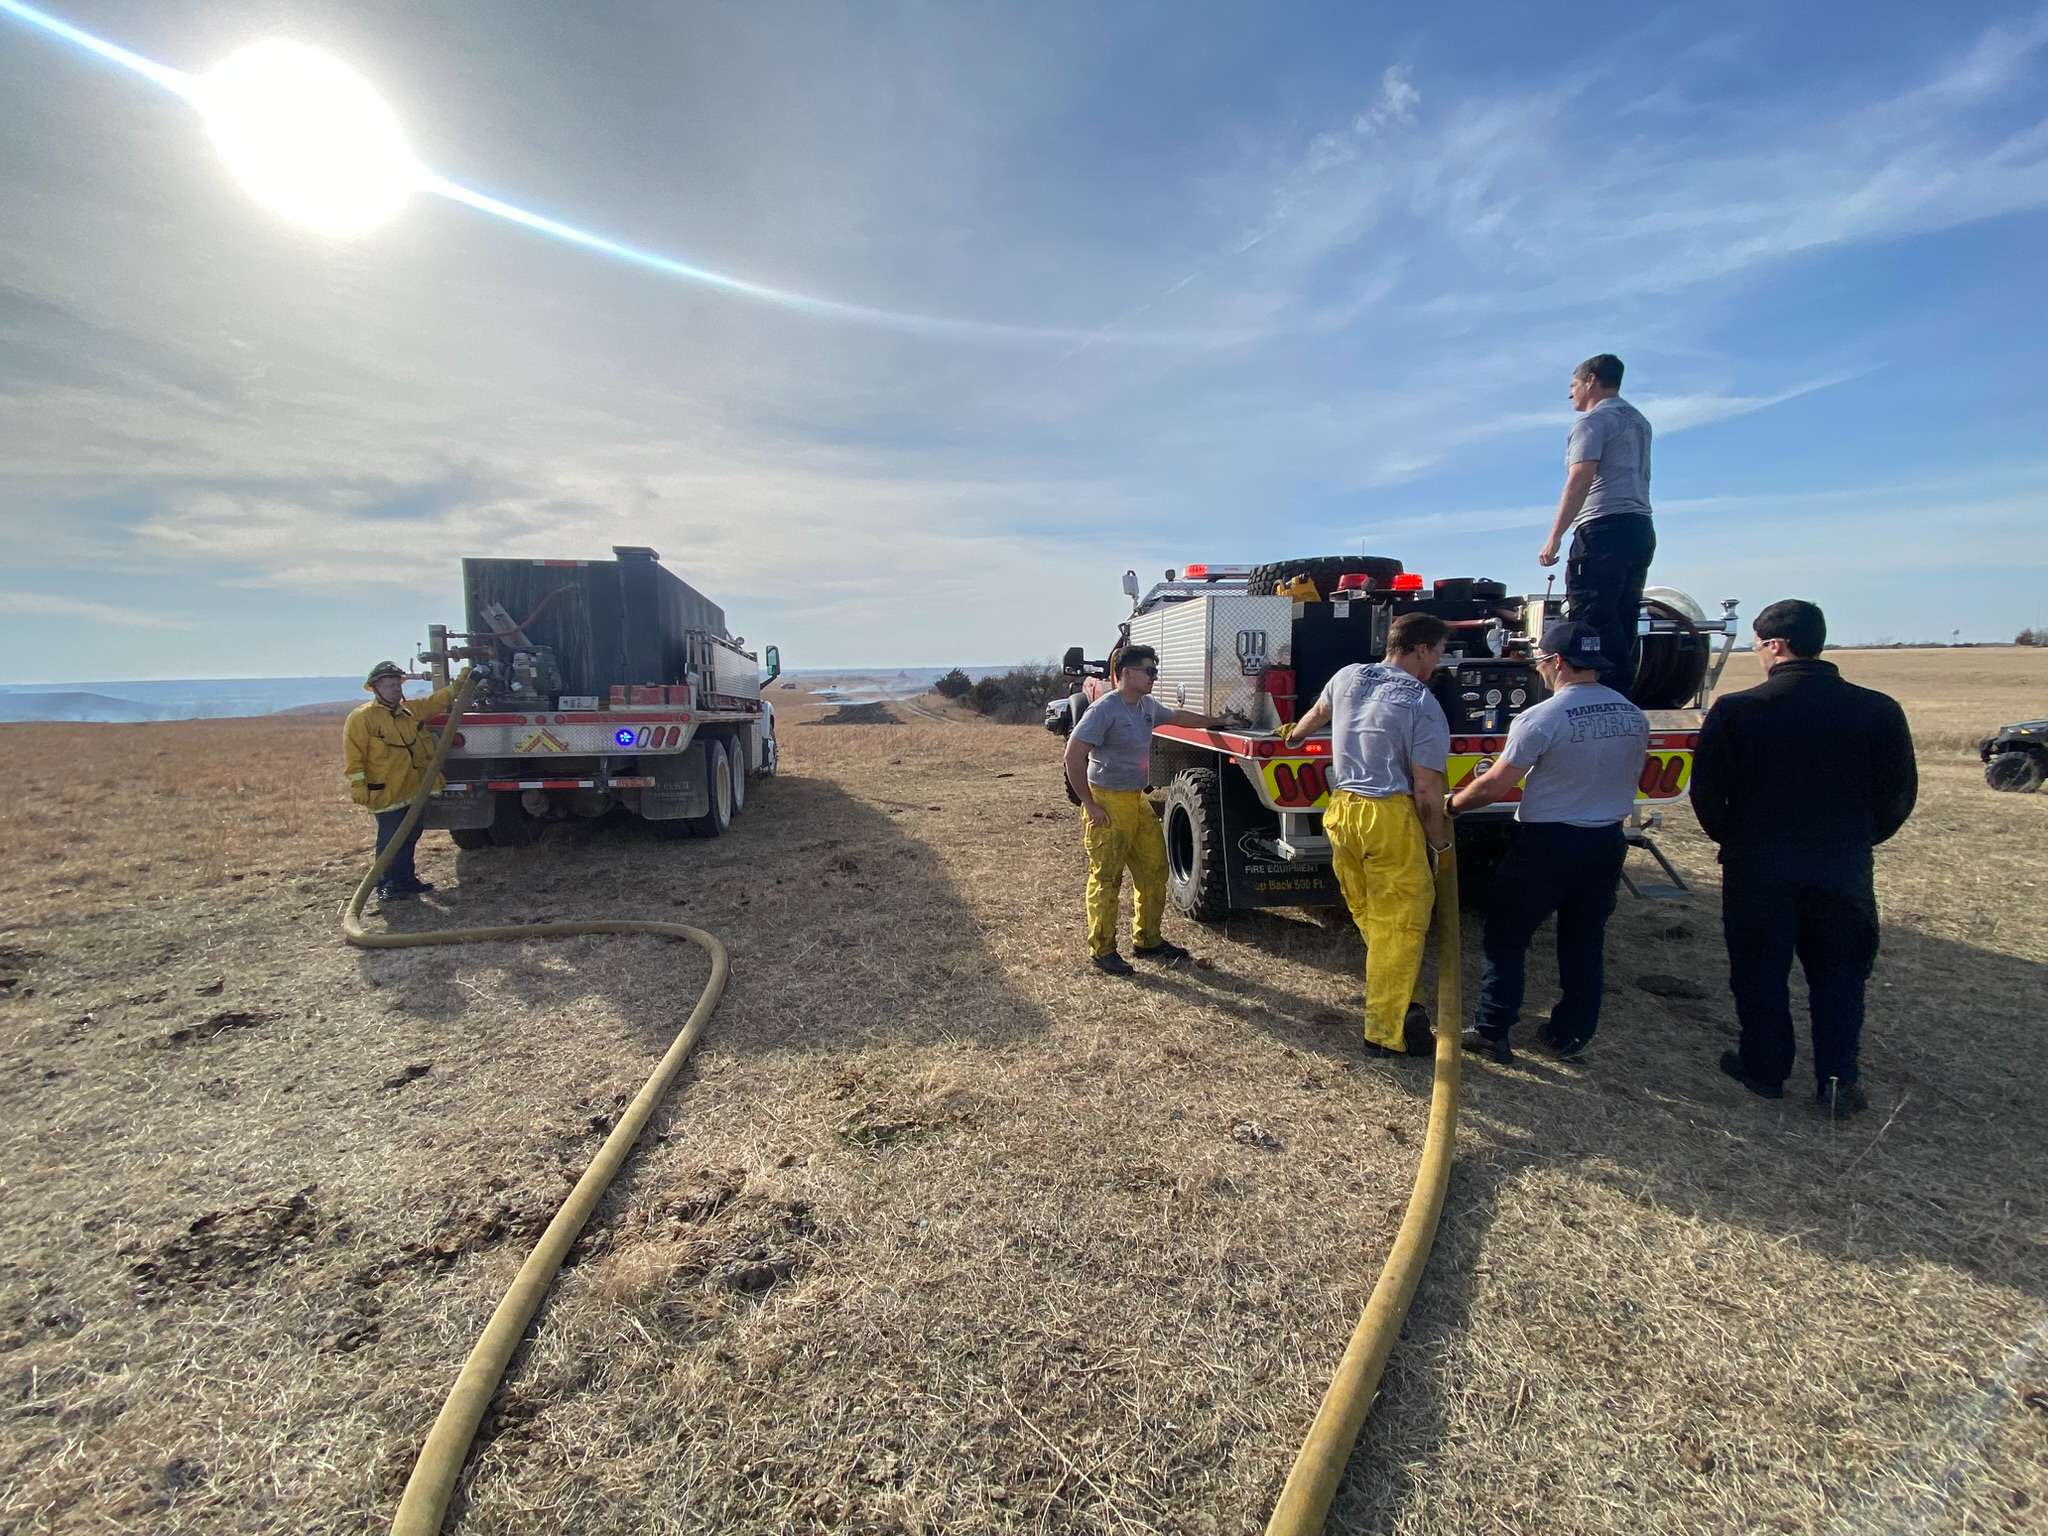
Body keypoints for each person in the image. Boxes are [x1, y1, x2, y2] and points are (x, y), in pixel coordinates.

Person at [1690, 600, 1916, 1117]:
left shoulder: (1739, 709)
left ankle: (1764, 1069)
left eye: (1755, 643)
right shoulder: (1877, 709)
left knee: (1759, 970)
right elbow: (1898, 796)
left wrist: (1738, 839)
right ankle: (1838, 1080)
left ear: (1775, 644)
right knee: (1840, 974)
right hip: (1842, 864)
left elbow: (1707, 793)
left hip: (1758, 865)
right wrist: (1857, 839)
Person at [1449, 621, 1648, 1064]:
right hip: (1606, 842)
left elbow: (1496, 784)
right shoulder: (1633, 714)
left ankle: (1493, 1029)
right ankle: (1571, 1033)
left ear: (1556, 662)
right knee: (1583, 939)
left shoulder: (1541, 717)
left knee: (1507, 936)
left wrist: (1452, 806)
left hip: (1549, 844)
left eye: (1540, 661)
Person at [1284, 613, 1452, 1058]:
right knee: (1402, 923)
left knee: (1373, 915)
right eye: (1437, 652)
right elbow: (1427, 791)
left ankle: (1390, 995)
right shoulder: (1422, 702)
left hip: (1341, 812)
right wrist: (1440, 844)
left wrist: (1294, 738)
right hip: (1387, 817)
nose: (1437, 662)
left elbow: (1316, 716)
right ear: (1420, 649)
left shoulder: (1348, 676)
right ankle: (1386, 1032)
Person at [1063, 645, 1218, 975]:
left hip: (1135, 798)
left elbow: (1178, 718)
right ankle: (1102, 949)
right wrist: (1089, 804)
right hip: (1108, 801)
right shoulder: (1104, 710)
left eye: (1155, 671)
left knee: (1154, 868)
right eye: (1150, 671)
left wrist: (1216, 721)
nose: (1154, 676)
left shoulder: (1146, 706)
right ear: (1128, 673)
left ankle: (1147, 940)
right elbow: (1073, 756)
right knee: (1107, 877)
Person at [1538, 353, 1655, 687]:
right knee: (1623, 614)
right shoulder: (1638, 421)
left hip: (1603, 529)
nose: (1571, 393)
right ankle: (1622, 693)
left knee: (1591, 616)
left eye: (1573, 385)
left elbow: (1580, 479)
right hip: (1639, 527)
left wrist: (1555, 536)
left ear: (1591, 380)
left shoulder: (1593, 422)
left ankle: (1594, 693)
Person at [343, 660, 464, 902]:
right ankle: (387, 884)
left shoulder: (408, 711)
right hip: (386, 792)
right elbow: (354, 754)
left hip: (412, 789)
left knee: (410, 835)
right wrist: (358, 784)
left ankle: (405, 880)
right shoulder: (362, 718)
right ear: (376, 688)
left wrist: (460, 684)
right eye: (389, 686)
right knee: (391, 840)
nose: (395, 690)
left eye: (397, 686)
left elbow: (434, 703)